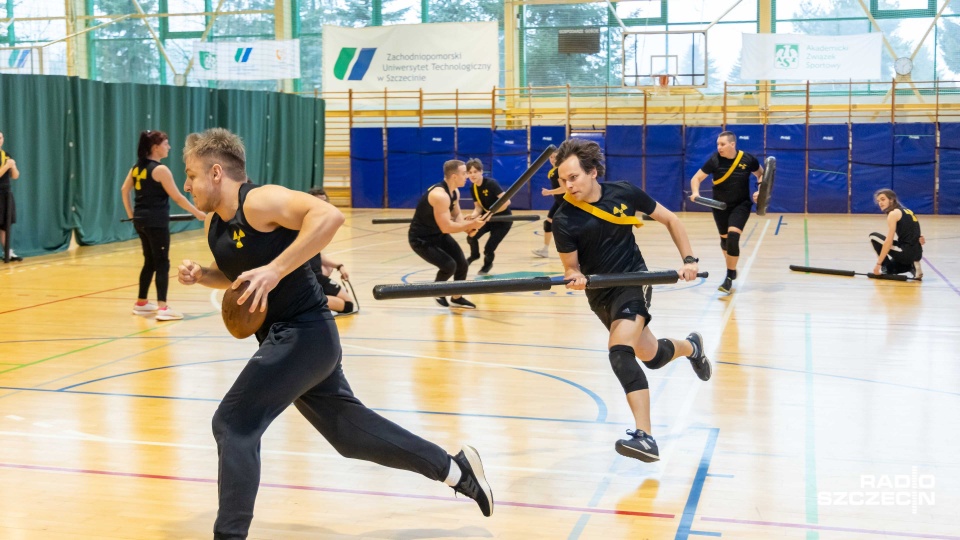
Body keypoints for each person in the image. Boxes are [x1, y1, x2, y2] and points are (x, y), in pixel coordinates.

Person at [177, 128, 493, 539]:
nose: (186, 184)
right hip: (291, 342)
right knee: (348, 435)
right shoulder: (213, 227)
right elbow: (239, 277)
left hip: (305, 334)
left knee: (233, 424)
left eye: (190, 174)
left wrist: (276, 269)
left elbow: (329, 216)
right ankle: (455, 470)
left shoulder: (259, 200)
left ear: (216, 172)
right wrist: (204, 276)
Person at [552, 138, 712, 463]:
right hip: (601, 296)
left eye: (573, 178)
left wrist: (690, 259)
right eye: (562, 180)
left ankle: (646, 437)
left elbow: (672, 220)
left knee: (619, 353)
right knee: (651, 356)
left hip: (634, 281)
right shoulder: (564, 219)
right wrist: (575, 277)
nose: (567, 186)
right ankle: (692, 347)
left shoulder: (623, 192)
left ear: (592, 172)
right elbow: (571, 267)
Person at [121, 130, 205, 320]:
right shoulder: (160, 170)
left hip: (141, 222)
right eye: (166, 143)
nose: (169, 147)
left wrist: (132, 216)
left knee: (149, 262)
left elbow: (124, 190)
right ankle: (163, 308)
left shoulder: (136, 168)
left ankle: (141, 303)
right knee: (162, 263)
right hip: (156, 223)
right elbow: (177, 197)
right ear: (155, 147)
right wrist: (198, 213)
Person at [689, 131, 764, 294]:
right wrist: (695, 193)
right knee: (725, 241)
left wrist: (760, 191)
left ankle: (729, 276)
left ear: (732, 144)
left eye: (722, 144)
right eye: (718, 144)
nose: (719, 147)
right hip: (719, 206)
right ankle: (732, 267)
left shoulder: (748, 159)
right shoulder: (715, 160)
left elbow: (761, 174)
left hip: (741, 205)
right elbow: (696, 178)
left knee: (733, 237)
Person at [408, 159, 483, 309]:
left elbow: (456, 215)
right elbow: (446, 227)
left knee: (462, 264)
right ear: (454, 176)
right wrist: (471, 224)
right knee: (449, 266)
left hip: (437, 234)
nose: (467, 177)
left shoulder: (455, 192)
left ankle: (456, 297)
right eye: (464, 174)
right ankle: (437, 291)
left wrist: (468, 228)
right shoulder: (440, 195)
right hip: (421, 239)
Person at [306, 187, 358, 315]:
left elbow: (315, 254)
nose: (324, 206)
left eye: (325, 202)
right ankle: (307, 302)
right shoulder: (307, 225)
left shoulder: (319, 224)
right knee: (348, 305)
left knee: (327, 269)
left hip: (314, 274)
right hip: (310, 276)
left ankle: (310, 299)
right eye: (319, 202)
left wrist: (338, 266)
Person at [465, 158, 512, 275]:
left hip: (502, 220)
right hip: (487, 218)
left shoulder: (491, 183)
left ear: (481, 171)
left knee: (489, 248)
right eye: (470, 172)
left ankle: (487, 265)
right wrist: (473, 216)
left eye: (475, 171)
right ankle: (474, 255)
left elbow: (506, 202)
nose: (472, 175)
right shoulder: (473, 187)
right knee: (471, 236)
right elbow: (478, 208)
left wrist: (490, 213)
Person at [870, 188, 924, 280]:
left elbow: (888, 241)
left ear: (891, 200)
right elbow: (916, 232)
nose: (880, 203)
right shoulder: (907, 211)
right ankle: (911, 266)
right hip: (917, 252)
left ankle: (885, 267)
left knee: (873, 236)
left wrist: (878, 264)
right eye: (878, 201)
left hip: (906, 253)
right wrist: (920, 238)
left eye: (883, 199)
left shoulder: (893, 214)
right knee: (892, 269)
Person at [532, 152, 564, 258]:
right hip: (558, 202)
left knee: (565, 227)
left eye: (555, 157)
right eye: (551, 157)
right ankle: (545, 250)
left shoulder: (560, 171)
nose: (553, 159)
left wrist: (549, 192)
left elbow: (564, 189)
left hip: (565, 203)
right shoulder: (552, 171)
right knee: (548, 223)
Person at [0, 131, 22, 262]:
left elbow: (15, 176)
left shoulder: (5, 155)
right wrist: (7, 165)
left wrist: (13, 167)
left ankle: (7, 252)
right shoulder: (5, 161)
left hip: (6, 194)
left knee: (5, 224)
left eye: (1, 137)